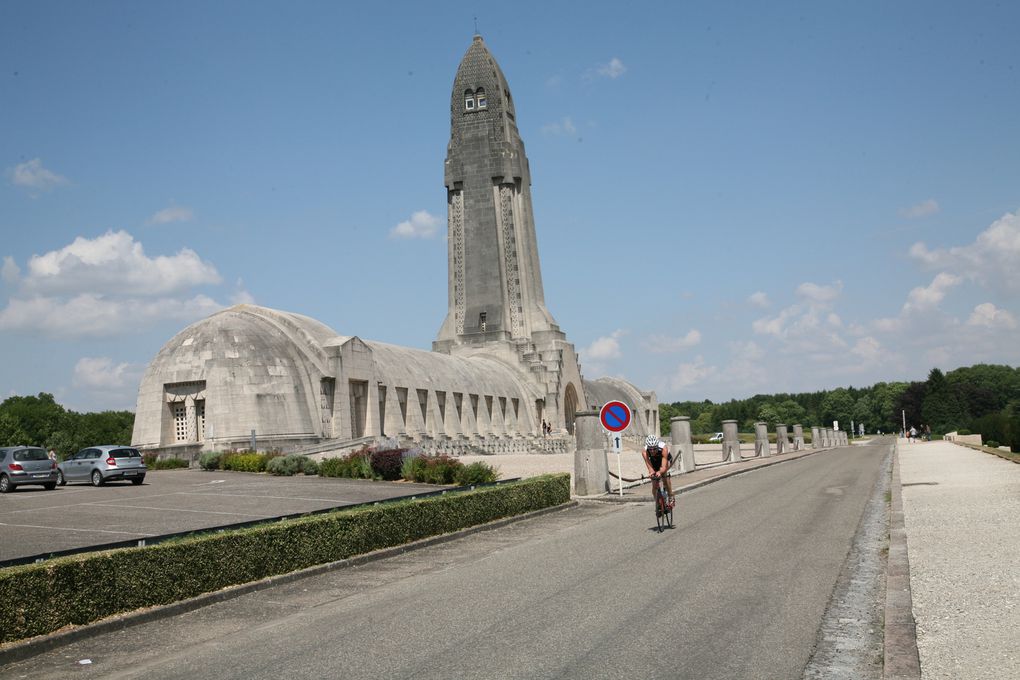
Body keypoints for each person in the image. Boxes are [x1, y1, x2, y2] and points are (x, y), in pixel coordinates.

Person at [641, 434, 674, 509]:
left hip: (665, 459)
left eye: (654, 449)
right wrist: (652, 472)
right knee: (654, 483)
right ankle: (657, 503)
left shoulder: (663, 448)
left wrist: (660, 472)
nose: (652, 451)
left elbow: (663, 466)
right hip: (654, 461)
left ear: (657, 446)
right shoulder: (644, 452)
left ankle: (671, 495)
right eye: (650, 449)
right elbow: (649, 466)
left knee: (664, 477)